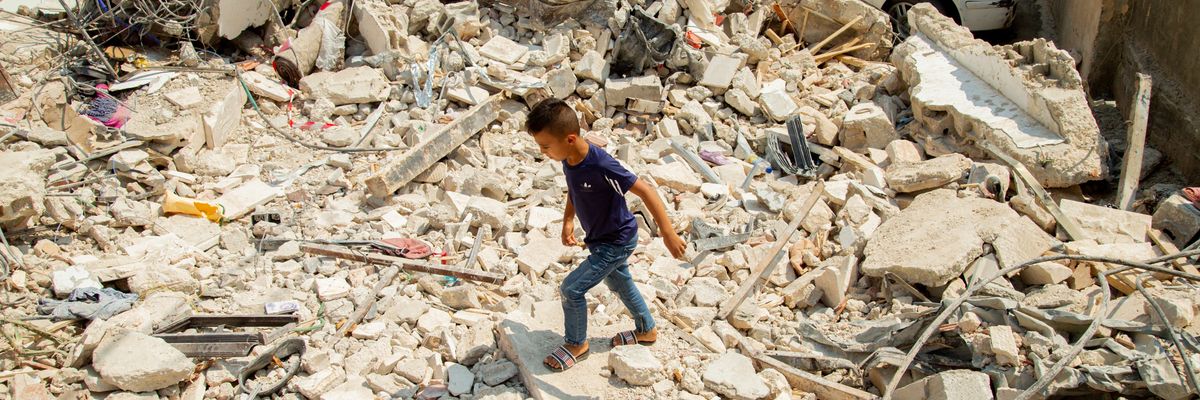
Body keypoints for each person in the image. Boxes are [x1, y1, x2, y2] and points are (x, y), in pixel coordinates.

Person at [524, 98, 687, 371]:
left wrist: (668, 233)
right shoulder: (568, 158)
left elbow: (645, 190)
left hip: (616, 241)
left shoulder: (601, 164)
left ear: (570, 138)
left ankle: (577, 344)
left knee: (571, 289)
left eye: (545, 146)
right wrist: (567, 220)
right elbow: (573, 190)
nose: (543, 152)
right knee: (620, 284)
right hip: (600, 239)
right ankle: (646, 330)